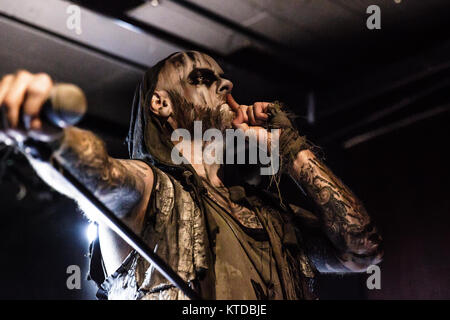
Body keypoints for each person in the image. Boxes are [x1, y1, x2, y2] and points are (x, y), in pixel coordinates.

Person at [0, 51, 382, 300]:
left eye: (224, 80)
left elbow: (362, 249)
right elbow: (101, 173)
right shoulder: (152, 192)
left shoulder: (267, 215)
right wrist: (48, 136)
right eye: (202, 78)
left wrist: (288, 147)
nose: (227, 85)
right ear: (161, 103)